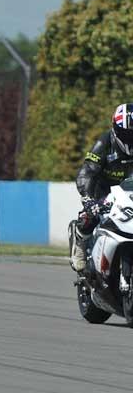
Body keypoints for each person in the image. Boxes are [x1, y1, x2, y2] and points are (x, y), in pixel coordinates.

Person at [72, 103, 133, 271]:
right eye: (127, 134)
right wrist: (88, 199)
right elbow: (87, 172)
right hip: (104, 191)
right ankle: (80, 242)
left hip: (129, 193)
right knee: (89, 216)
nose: (130, 139)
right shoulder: (104, 142)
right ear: (116, 129)